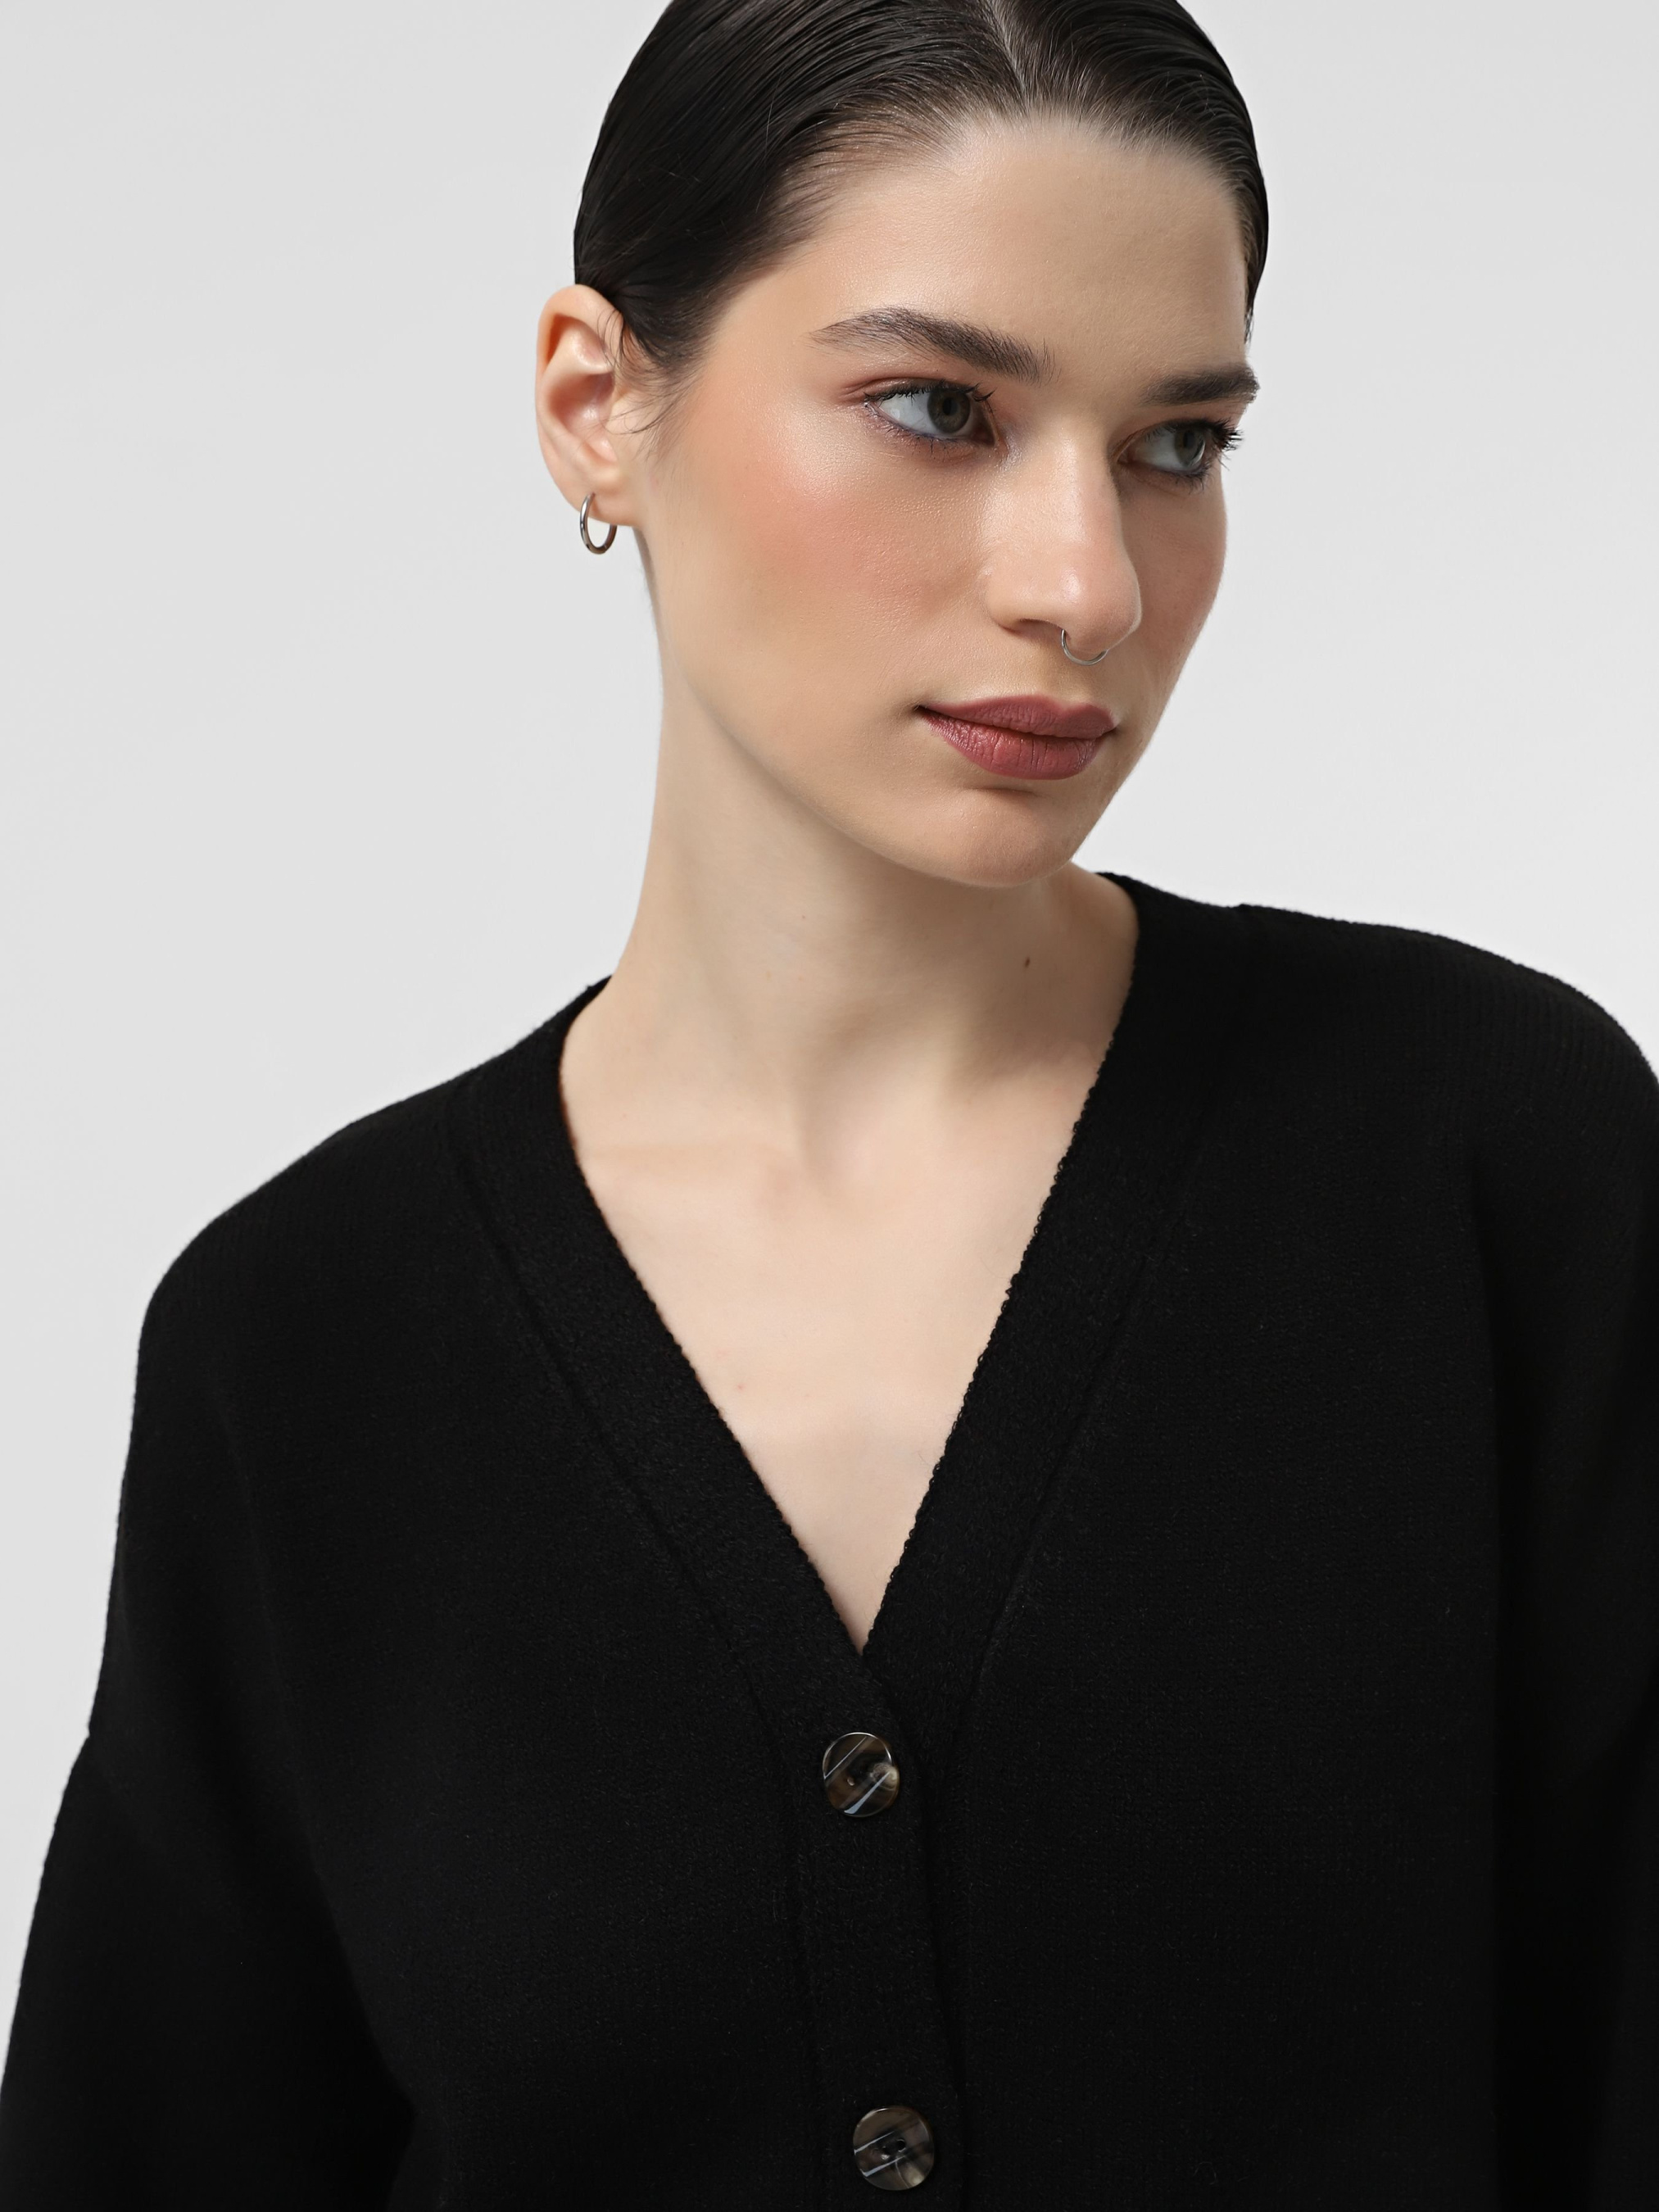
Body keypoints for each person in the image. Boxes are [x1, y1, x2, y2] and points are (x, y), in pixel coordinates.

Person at [2, 0, 1654, 2202]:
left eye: (1175, 444)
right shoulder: (304, 1342)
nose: (1086, 582)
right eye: (939, 409)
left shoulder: (1487, 1165)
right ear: (598, 404)